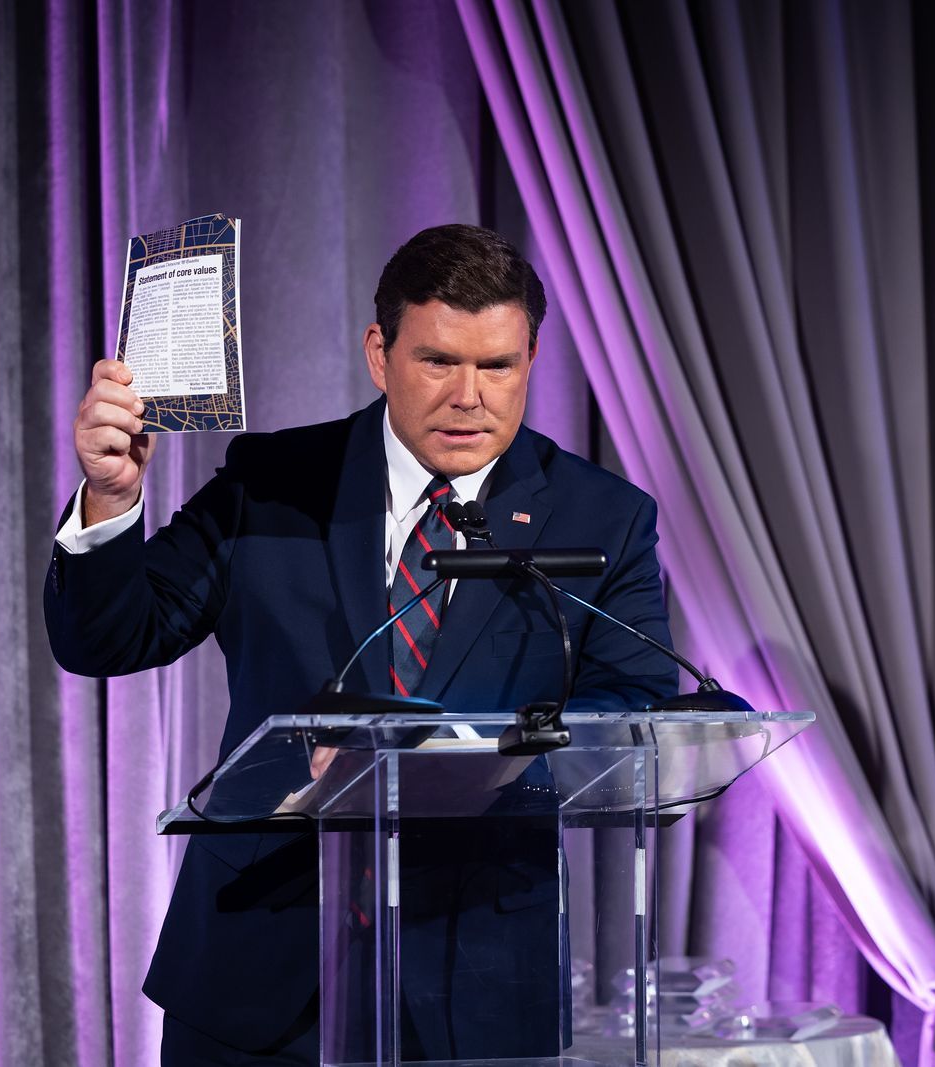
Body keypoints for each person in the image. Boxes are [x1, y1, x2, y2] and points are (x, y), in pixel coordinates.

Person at [44, 224, 678, 1064]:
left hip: (475, 983)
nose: (469, 396)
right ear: (380, 353)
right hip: (258, 971)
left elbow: (636, 706)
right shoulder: (271, 483)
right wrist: (111, 498)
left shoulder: (603, 516)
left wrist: (476, 758)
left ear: (531, 356)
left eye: (498, 366)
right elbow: (109, 637)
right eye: (438, 361)